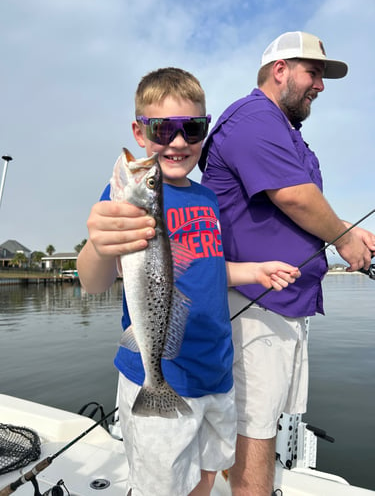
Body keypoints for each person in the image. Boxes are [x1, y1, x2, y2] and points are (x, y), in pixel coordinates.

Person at [77, 67, 300, 496]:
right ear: (139, 131)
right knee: (161, 487)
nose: (178, 142)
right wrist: (99, 246)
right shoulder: (125, 204)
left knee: (207, 472)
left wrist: (253, 271)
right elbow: (94, 281)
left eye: (193, 129)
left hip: (216, 372)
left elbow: (207, 268)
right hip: (157, 371)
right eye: (162, 129)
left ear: (204, 130)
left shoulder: (207, 197)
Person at [199, 31, 375, 496]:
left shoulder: (283, 131)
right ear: (280, 70)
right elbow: (295, 197)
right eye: (313, 73)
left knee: (258, 422)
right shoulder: (254, 117)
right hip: (255, 307)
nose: (320, 85)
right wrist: (344, 238)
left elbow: (307, 202)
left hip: (282, 307)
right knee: (255, 428)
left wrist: (351, 234)